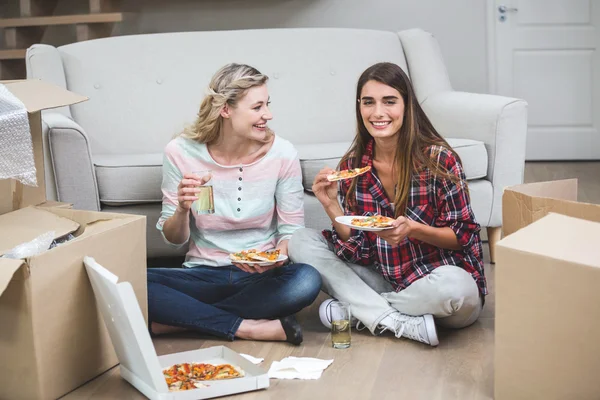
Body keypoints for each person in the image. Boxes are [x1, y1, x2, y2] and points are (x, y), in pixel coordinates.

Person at [289, 62, 486, 346]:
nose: (378, 113)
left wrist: (414, 229)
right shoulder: (354, 166)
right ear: (359, 107)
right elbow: (358, 249)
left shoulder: (440, 159)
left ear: (407, 106)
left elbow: (464, 237)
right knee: (300, 240)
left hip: (437, 287)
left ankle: (362, 310)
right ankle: (395, 321)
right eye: (368, 102)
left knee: (455, 289)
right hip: (386, 278)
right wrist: (331, 205)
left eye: (389, 101)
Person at [147, 63, 322, 345]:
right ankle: (247, 327)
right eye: (257, 107)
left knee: (306, 280)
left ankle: (180, 321)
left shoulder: (282, 153)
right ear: (226, 109)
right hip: (203, 274)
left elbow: (291, 230)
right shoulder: (180, 152)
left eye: (267, 104)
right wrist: (181, 208)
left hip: (260, 278)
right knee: (132, 282)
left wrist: (275, 258)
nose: (268, 115)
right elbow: (173, 240)